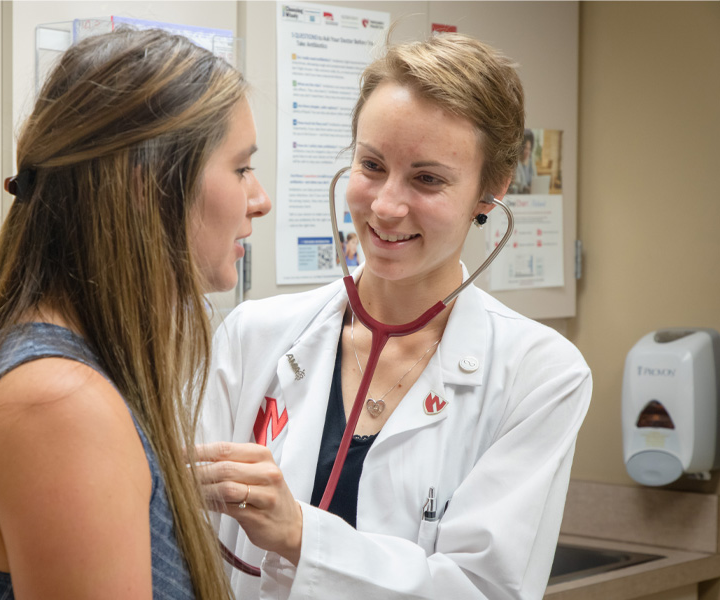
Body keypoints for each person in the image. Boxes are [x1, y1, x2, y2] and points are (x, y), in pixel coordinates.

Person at [196, 33, 590, 599]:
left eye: (428, 179)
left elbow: (482, 588)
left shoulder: (539, 374)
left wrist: (301, 535)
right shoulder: (253, 336)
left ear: (490, 192)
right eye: (372, 165)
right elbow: (193, 539)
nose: (384, 205)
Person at [0, 27, 270, 600]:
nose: (259, 199)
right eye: (241, 169)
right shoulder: (60, 405)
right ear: (145, 189)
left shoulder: (50, 370)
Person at [509, 129, 537, 194]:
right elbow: (517, 184)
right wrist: (527, 188)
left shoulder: (531, 163)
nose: (527, 151)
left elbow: (536, 179)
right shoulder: (517, 163)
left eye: (529, 149)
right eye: (526, 148)